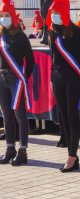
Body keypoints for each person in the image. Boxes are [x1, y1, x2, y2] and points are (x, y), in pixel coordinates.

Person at [46, 0, 80, 172]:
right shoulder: (51, 31)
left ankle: (72, 155)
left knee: (72, 116)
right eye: (52, 13)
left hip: (73, 78)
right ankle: (72, 154)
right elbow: (53, 56)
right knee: (63, 116)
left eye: (56, 13)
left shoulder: (77, 32)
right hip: (56, 77)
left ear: (64, 13)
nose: (53, 16)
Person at [0, 0, 34, 166]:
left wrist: (24, 77)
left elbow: (30, 59)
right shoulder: (0, 35)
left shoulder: (20, 36)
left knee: (19, 115)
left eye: (7, 15)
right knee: (6, 115)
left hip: (16, 79)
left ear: (13, 17)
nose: (4, 19)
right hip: (1, 79)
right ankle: (9, 148)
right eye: (1, 16)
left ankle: (23, 150)